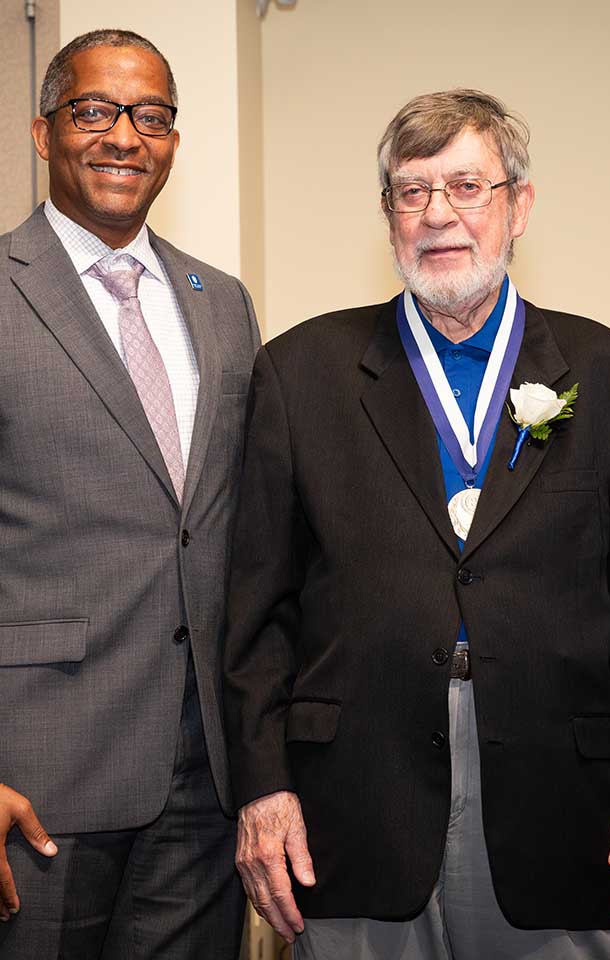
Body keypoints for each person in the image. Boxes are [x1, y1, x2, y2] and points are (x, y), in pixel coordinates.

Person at [223, 89, 610, 959]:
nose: (437, 213)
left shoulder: (607, 371)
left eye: (466, 186)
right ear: (388, 216)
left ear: (519, 205)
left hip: (563, 807)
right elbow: (258, 615)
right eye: (411, 191)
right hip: (351, 803)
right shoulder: (301, 371)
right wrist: (263, 787)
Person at [0, 28, 259, 959]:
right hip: (34, 780)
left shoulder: (222, 301)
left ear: (173, 143)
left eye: (150, 116)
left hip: (205, 782)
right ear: (44, 132)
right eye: (94, 110)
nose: (123, 135)